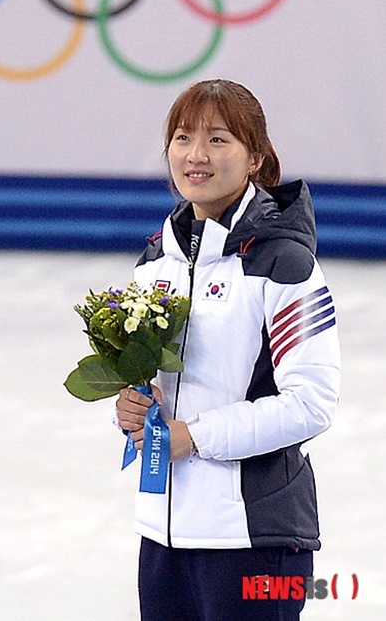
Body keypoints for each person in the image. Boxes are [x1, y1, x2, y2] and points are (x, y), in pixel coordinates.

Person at [114, 79, 340, 621]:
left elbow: (311, 404)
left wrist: (193, 437)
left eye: (217, 139)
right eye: (183, 137)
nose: (196, 155)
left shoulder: (285, 264)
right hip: (164, 540)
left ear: (254, 157)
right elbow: (158, 387)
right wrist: (132, 409)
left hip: (256, 540)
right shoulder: (155, 263)